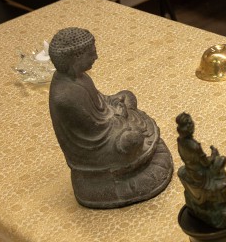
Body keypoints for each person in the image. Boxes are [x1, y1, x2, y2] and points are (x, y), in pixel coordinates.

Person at [47, 27, 174, 208]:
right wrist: (119, 115)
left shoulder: (81, 78)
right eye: (91, 54)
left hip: (110, 122)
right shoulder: (65, 96)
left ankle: (138, 150)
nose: (95, 57)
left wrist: (114, 101)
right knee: (134, 138)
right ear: (75, 58)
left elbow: (101, 101)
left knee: (127, 95)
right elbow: (95, 129)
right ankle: (123, 173)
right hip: (96, 147)